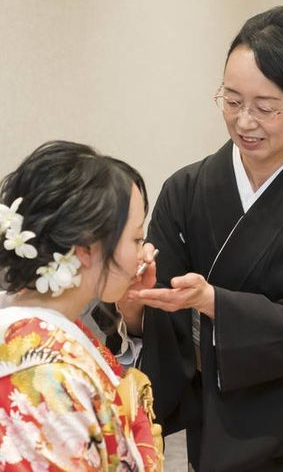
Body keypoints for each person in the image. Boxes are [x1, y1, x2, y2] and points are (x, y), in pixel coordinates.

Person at [114, 5, 283, 471]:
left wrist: (213, 302)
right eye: (232, 101)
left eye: (265, 107)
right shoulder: (187, 189)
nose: (244, 121)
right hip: (218, 422)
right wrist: (133, 306)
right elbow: (162, 318)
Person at [0, 140, 163, 471]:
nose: (143, 253)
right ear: (87, 247)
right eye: (136, 239)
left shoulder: (48, 329)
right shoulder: (45, 374)